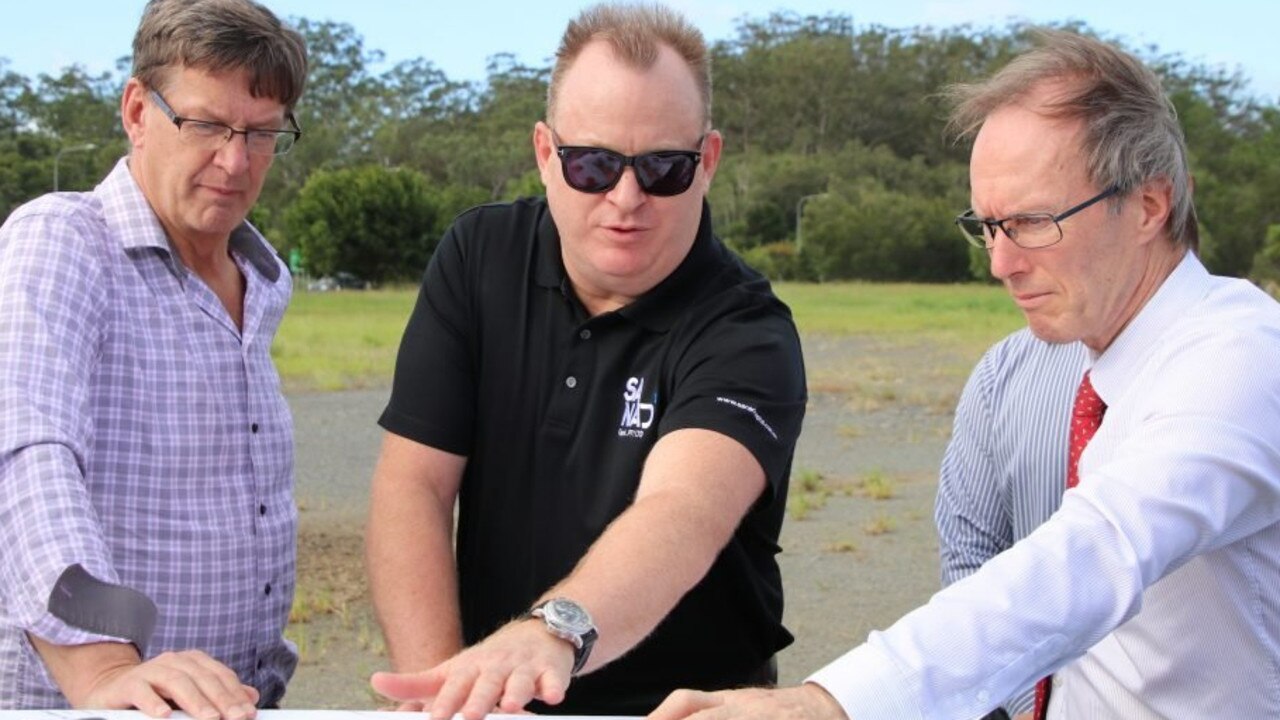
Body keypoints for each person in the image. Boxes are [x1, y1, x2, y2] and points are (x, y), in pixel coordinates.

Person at [649, 28, 1280, 720]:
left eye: (1034, 222)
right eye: (988, 226)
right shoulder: (1093, 362)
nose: (1000, 264)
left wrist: (828, 703)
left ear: (1150, 206)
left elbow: (1097, 553)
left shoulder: (1243, 360)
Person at [365, 3, 807, 719]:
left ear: (708, 162)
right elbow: (413, 484)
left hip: (682, 707)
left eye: (664, 167)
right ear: (546, 154)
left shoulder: (747, 330)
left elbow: (682, 510)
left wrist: (555, 631)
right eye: (593, 164)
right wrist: (444, 695)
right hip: (498, 699)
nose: (626, 198)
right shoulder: (480, 259)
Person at [0, 0, 307, 716]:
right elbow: (24, 454)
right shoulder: (65, 241)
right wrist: (105, 669)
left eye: (261, 134)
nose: (235, 162)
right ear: (138, 111)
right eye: (204, 125)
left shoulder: (261, 280)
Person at [935, 331, 1087, 719]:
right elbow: (970, 556)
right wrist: (1028, 703)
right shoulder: (1002, 371)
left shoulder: (1237, 357)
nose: (1002, 268)